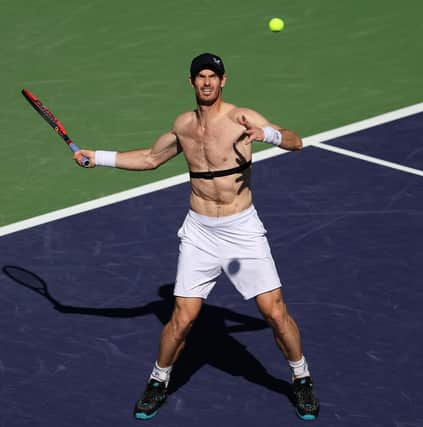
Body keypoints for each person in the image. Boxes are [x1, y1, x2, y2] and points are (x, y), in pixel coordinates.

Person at [73, 53, 320, 421]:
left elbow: (295, 141)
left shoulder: (242, 118)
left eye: (213, 76)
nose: (207, 82)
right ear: (191, 82)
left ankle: (301, 379)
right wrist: (99, 157)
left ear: (223, 82)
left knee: (273, 311)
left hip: (241, 230)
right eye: (200, 76)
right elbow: (150, 159)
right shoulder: (184, 125)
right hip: (200, 232)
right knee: (183, 318)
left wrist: (265, 134)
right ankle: (158, 381)